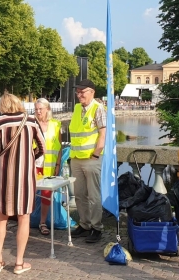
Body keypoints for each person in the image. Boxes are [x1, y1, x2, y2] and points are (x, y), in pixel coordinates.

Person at [0, 93, 46, 274]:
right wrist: (29, 157)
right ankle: (19, 263)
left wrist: (2, 157)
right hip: (25, 177)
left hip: (5, 177)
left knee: (1, 216)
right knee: (24, 217)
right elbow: (43, 147)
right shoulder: (32, 121)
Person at [69, 79, 106, 243]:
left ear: (92, 92)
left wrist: (96, 154)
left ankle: (96, 228)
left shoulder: (98, 109)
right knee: (79, 194)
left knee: (94, 196)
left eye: (82, 91)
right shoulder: (77, 108)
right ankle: (84, 225)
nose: (79, 94)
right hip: (76, 158)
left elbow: (103, 134)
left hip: (92, 159)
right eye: (77, 91)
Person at [34, 98, 62, 235]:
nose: (38, 111)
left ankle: (42, 222)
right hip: (34, 164)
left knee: (46, 194)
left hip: (50, 165)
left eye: (41, 109)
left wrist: (58, 163)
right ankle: (25, 221)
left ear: (47, 109)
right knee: (28, 193)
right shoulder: (31, 124)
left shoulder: (56, 124)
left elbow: (60, 146)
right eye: (36, 109)